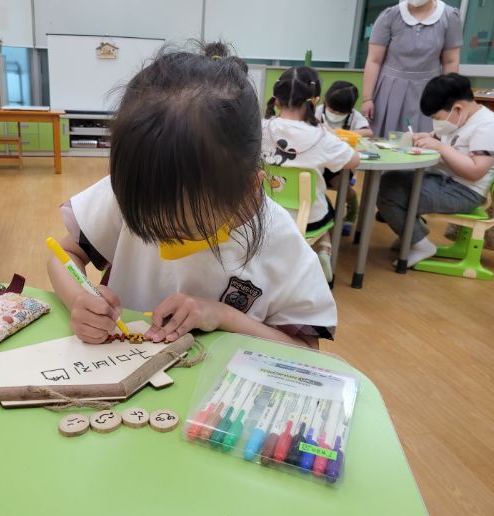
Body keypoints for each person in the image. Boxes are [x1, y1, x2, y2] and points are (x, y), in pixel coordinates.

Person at [48, 43, 337, 349]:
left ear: (250, 192)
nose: (162, 244)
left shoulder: (281, 242)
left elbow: (307, 350)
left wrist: (222, 315)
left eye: (181, 231)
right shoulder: (137, 190)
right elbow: (64, 254)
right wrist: (79, 298)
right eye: (146, 228)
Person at [377, 74, 494, 267]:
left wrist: (441, 147)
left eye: (436, 118)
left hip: (465, 192)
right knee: (390, 179)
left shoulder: (488, 127)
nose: (435, 123)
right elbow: (439, 137)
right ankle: (413, 234)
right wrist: (424, 138)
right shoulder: (460, 119)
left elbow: (475, 171)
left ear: (457, 109)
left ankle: (420, 244)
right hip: (446, 182)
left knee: (389, 195)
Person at [262, 67, 360, 281]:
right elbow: (354, 160)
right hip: (307, 221)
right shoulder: (321, 136)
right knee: (324, 204)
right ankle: (324, 250)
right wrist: (331, 133)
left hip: (264, 216)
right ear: (314, 101)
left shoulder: (260, 128)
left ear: (275, 99)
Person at [362, 0, 463, 137]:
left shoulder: (450, 17)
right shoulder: (390, 15)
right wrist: (367, 98)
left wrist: (449, 98)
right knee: (384, 139)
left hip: (429, 91)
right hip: (389, 89)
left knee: (423, 139)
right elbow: (374, 60)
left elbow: (450, 61)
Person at [316, 80, 371, 236]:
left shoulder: (354, 117)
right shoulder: (319, 111)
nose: (335, 114)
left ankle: (352, 211)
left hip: (342, 162)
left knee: (342, 186)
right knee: (314, 183)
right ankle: (326, 213)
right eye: (332, 110)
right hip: (320, 161)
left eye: (340, 113)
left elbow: (368, 133)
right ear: (325, 101)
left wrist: (341, 134)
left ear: (350, 109)